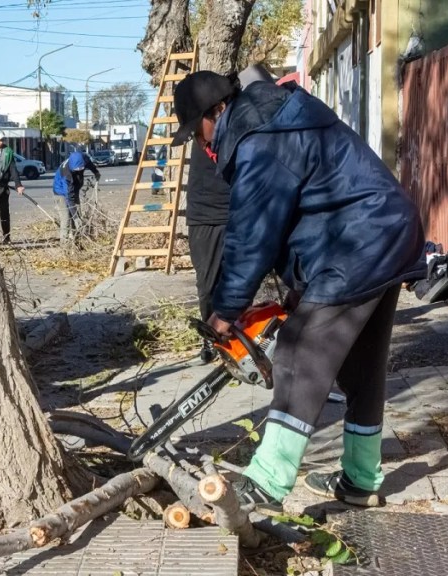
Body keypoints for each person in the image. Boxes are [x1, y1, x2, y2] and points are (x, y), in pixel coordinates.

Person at [170, 67, 425, 513]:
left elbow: (252, 235)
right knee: (361, 369)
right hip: (384, 233)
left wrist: (225, 310)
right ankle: (361, 480)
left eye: (197, 131)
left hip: (358, 246)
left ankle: (268, 481)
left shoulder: (261, 140)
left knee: (296, 352)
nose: (200, 143)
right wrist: (298, 292)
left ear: (216, 112)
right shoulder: (279, 117)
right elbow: (311, 208)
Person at [186, 139, 230, 364]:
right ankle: (211, 339)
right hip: (204, 215)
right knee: (207, 284)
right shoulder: (204, 124)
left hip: (239, 210)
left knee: (242, 278)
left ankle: (238, 336)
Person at [52, 149, 100, 244]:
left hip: (74, 189)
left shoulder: (82, 158)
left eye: (81, 169)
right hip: (60, 193)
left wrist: (96, 172)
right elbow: (69, 198)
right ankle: (64, 243)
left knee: (77, 213)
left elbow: (89, 163)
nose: (80, 171)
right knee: (66, 217)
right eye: (77, 170)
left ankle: (77, 240)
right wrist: (75, 216)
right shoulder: (66, 175)